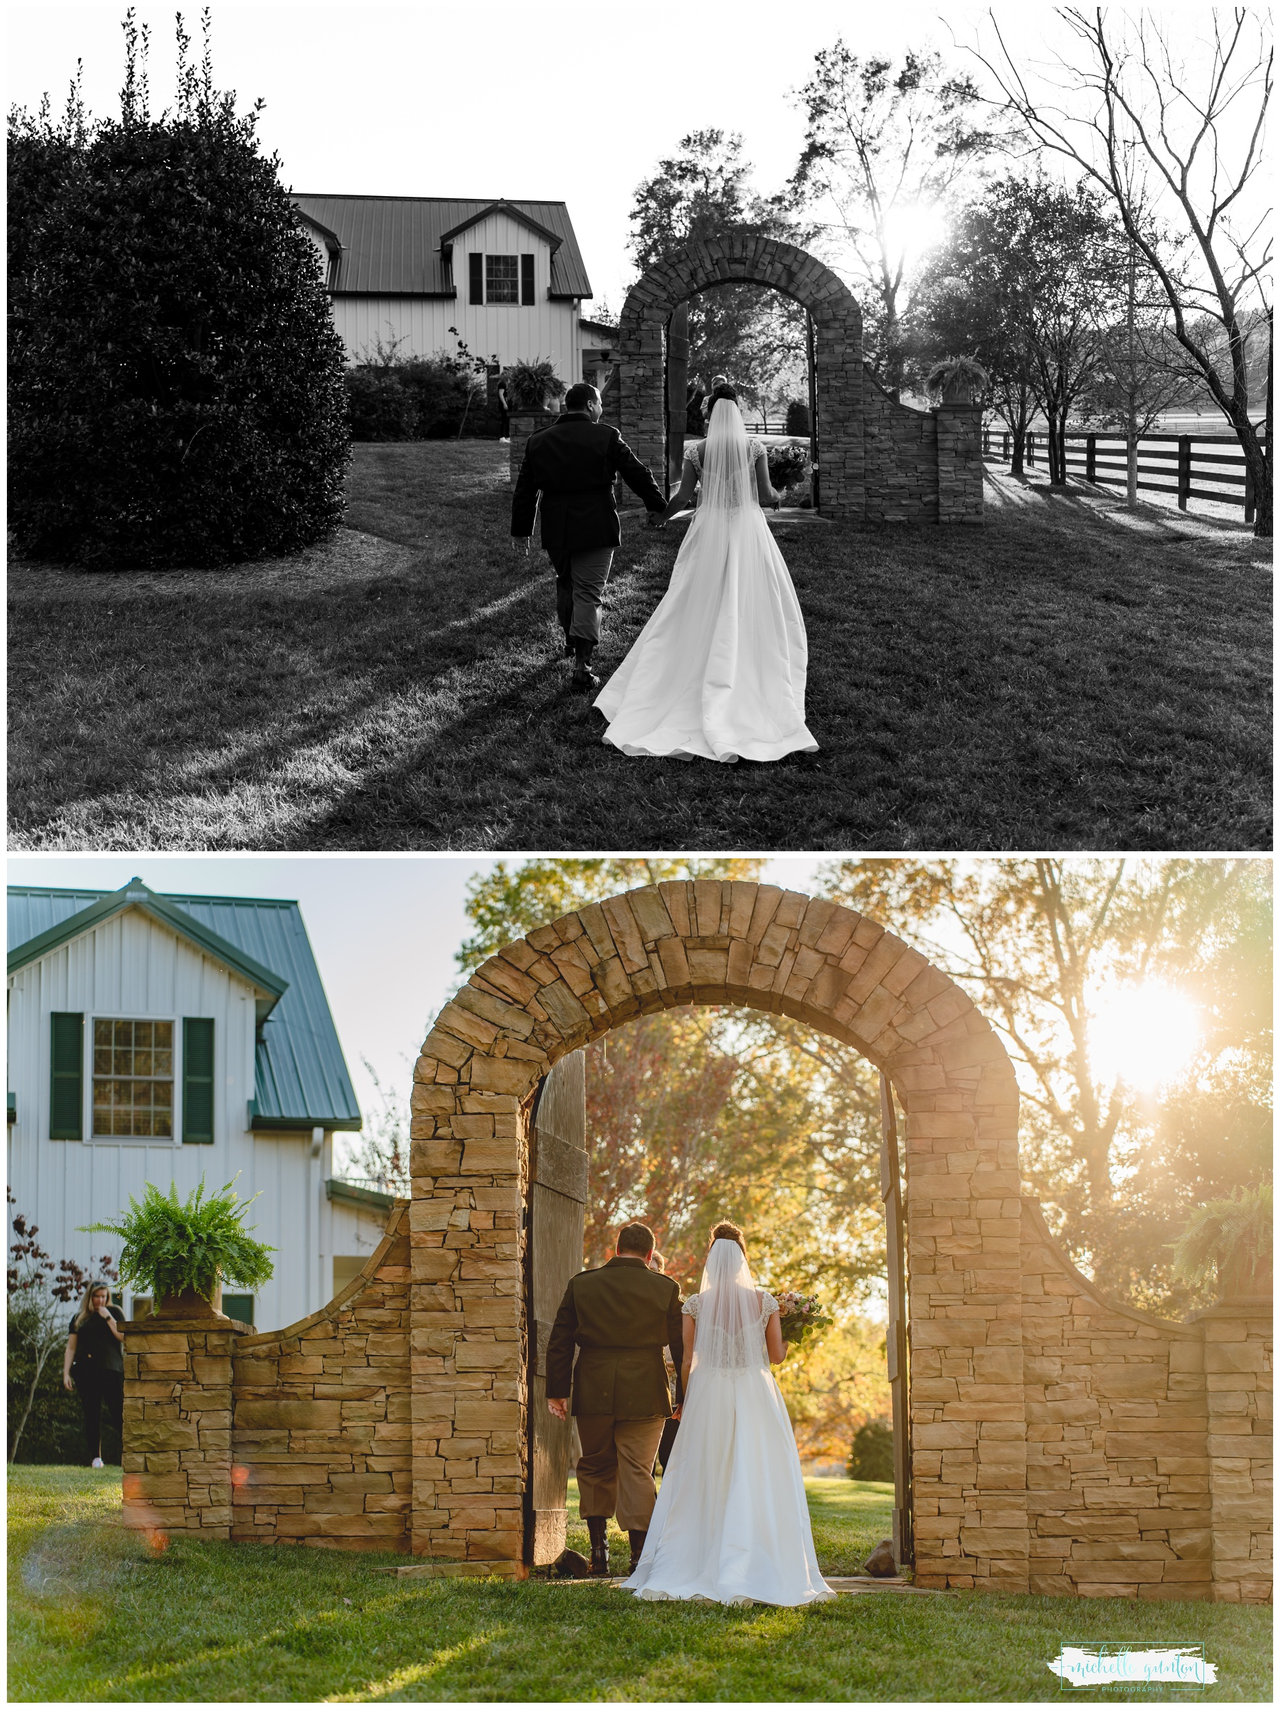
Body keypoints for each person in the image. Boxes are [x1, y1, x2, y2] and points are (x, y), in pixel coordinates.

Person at [593, 384, 819, 761]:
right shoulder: (754, 448)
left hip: (709, 528)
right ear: (738, 411)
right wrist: (780, 496)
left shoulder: (697, 451)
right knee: (750, 593)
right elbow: (764, 495)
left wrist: (662, 517)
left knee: (694, 594)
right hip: (748, 529)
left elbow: (683, 497)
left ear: (711, 413)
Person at [617, 1221, 835, 1607]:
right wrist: (789, 1331)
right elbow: (775, 1356)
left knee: (705, 1471)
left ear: (711, 1259)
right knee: (756, 1470)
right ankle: (757, 1559)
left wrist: (686, 1398)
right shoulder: (764, 1301)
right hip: (754, 1392)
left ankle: (694, 1556)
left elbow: (687, 1360)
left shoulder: (696, 1305)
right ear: (742, 1258)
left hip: (710, 1391)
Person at [545, 1220, 684, 1577]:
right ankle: (638, 1558)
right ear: (650, 1254)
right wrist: (684, 1395)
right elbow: (682, 1349)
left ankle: (600, 1555)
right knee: (639, 1471)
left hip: (593, 1389)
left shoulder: (582, 1284)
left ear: (615, 1249)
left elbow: (560, 1340)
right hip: (647, 1392)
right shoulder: (665, 1288)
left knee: (594, 1466)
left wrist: (557, 1391)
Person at [511, 381, 669, 693]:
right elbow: (637, 472)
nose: (602, 409)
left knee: (567, 582)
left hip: (556, 526)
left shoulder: (538, 440)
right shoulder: (606, 435)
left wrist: (521, 531)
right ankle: (582, 665)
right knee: (588, 593)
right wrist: (657, 507)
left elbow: (525, 490)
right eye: (599, 403)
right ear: (589, 405)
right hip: (596, 525)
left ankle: (572, 642)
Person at [63, 1281, 125, 1468]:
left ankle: (127, 1453)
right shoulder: (79, 1318)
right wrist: (65, 1373)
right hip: (86, 1371)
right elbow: (71, 1347)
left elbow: (123, 1337)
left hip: (111, 1370)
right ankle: (96, 1458)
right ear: (90, 1297)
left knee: (118, 1413)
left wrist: (107, 1317)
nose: (100, 1300)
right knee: (91, 1414)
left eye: (104, 1296)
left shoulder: (115, 1312)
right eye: (97, 1296)